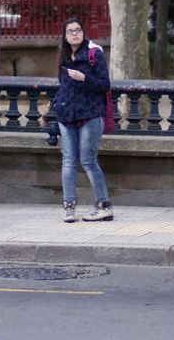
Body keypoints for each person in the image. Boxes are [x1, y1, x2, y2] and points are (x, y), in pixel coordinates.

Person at [48, 18, 113, 222]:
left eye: (78, 30)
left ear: (83, 33)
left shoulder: (94, 54)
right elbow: (63, 87)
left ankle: (104, 205)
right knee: (68, 161)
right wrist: (53, 108)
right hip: (67, 116)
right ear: (65, 36)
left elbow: (105, 85)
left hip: (90, 115)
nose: (75, 34)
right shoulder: (64, 56)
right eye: (70, 31)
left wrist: (84, 78)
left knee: (88, 160)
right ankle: (69, 207)